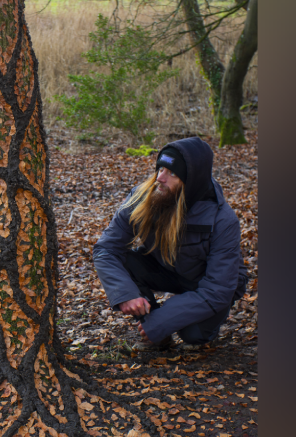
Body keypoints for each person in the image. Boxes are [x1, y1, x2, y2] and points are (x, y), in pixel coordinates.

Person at [92, 136, 247, 351]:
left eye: (172, 173)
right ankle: (157, 336)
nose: (160, 178)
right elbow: (106, 249)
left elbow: (219, 289)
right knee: (124, 262)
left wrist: (162, 320)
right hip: (169, 270)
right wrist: (125, 293)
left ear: (190, 181)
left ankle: (169, 323)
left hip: (208, 284)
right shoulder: (143, 197)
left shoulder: (222, 219)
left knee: (193, 335)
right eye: (160, 168)